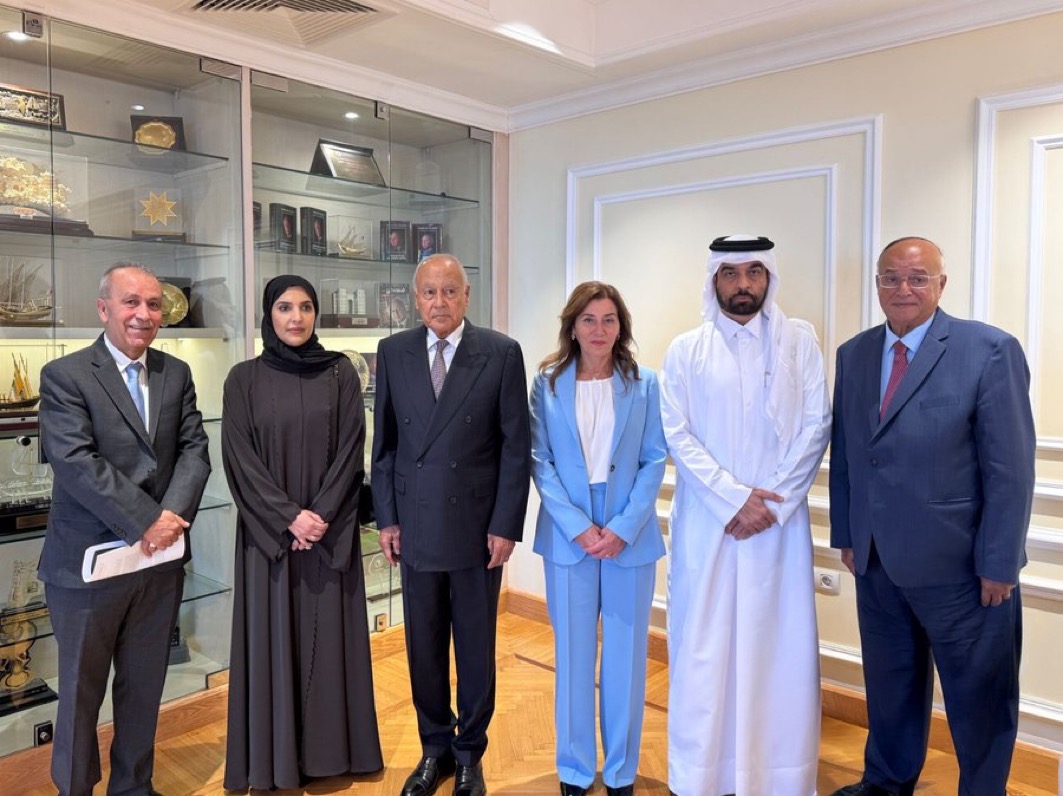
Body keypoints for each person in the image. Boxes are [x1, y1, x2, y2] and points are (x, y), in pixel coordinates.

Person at [829, 237, 1035, 796]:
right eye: (890, 277)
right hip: (875, 563)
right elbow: (848, 453)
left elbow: (1011, 470)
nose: (903, 288)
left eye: (918, 278)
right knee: (889, 686)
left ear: (941, 284)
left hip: (964, 570)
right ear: (877, 284)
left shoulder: (989, 350)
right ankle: (886, 782)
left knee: (980, 699)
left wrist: (999, 564)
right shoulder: (854, 354)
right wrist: (848, 535)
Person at [660, 235, 830, 795]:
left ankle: (776, 776)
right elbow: (677, 434)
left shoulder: (799, 342)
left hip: (777, 526)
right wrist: (735, 499)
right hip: (710, 524)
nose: (742, 284)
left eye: (754, 272)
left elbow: (816, 426)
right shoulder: (686, 350)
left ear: (768, 278)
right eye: (731, 274)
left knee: (778, 648)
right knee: (704, 648)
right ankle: (703, 775)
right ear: (714, 280)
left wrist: (770, 503)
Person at [37, 262, 211, 796]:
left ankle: (134, 787)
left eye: (153, 304)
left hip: (157, 566)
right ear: (103, 308)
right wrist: (147, 521)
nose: (143, 314)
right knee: (80, 694)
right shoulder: (65, 375)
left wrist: (169, 521)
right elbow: (75, 462)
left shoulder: (175, 373)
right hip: (87, 569)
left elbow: (195, 451)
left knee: (143, 687)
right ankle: (75, 789)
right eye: (131, 302)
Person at [372, 253, 531, 796]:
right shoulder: (393, 351)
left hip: (477, 529)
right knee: (423, 644)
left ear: (467, 296)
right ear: (415, 299)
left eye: (449, 291)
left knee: (475, 646)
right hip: (415, 524)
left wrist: (506, 524)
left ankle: (470, 754)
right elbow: (385, 446)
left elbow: (515, 448)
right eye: (429, 293)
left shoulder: (501, 352)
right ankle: (433, 749)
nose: (439, 302)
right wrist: (387, 518)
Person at [221, 275, 383, 790]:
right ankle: (274, 763)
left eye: (307, 307)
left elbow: (352, 451)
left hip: (328, 535)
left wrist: (319, 516)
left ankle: (334, 755)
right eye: (285, 307)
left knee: (329, 644)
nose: (297, 317)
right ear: (268, 314)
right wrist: (288, 517)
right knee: (273, 642)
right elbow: (239, 459)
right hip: (270, 539)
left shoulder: (340, 373)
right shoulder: (242, 379)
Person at [530, 281, 667, 796]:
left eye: (609, 319)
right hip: (569, 533)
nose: (599, 329)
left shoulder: (645, 383)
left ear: (620, 327)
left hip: (630, 532)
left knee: (627, 656)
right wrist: (578, 526)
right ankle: (575, 768)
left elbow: (654, 459)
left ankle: (621, 772)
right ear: (572, 327)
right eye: (588, 319)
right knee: (572, 654)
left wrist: (624, 527)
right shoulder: (546, 384)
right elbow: (540, 461)